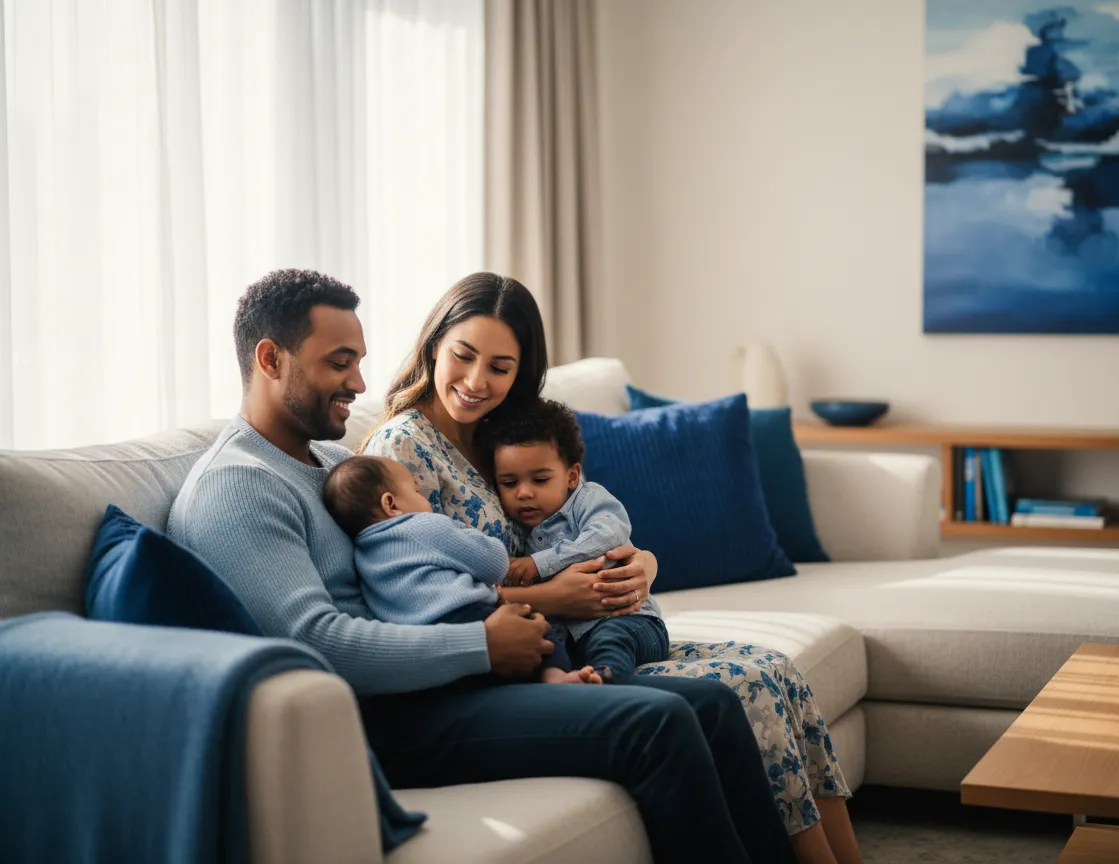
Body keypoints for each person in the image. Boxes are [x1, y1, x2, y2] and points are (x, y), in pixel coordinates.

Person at [167, 268, 811, 864]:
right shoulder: (237, 486)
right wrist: (481, 643)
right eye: (340, 363)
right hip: (385, 719)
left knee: (711, 703)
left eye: (359, 362)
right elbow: (315, 644)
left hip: (440, 685)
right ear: (270, 359)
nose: (360, 384)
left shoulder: (333, 464)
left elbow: (415, 580)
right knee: (657, 724)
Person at [361, 271, 863, 864]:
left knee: (776, 670)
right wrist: (558, 598)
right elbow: (421, 597)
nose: (476, 381)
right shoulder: (401, 451)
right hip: (544, 653)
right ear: (432, 346)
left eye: (500, 367)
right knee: (743, 687)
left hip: (592, 624)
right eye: (463, 356)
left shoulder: (500, 433)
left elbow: (584, 518)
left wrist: (645, 564)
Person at [322, 454, 601, 684]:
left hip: (420, 642)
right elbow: (495, 564)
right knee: (538, 628)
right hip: (465, 617)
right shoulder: (423, 525)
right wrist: (466, 533)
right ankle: (556, 678)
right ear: (391, 504)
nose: (424, 499)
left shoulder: (362, 555)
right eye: (416, 491)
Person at [476, 397, 669, 683]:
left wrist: (540, 562)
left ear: (571, 476)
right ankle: (572, 680)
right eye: (509, 483)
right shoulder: (515, 528)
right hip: (570, 636)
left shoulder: (587, 499)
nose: (524, 493)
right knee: (545, 644)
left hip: (629, 620)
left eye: (540, 480)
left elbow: (609, 534)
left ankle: (607, 680)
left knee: (609, 639)